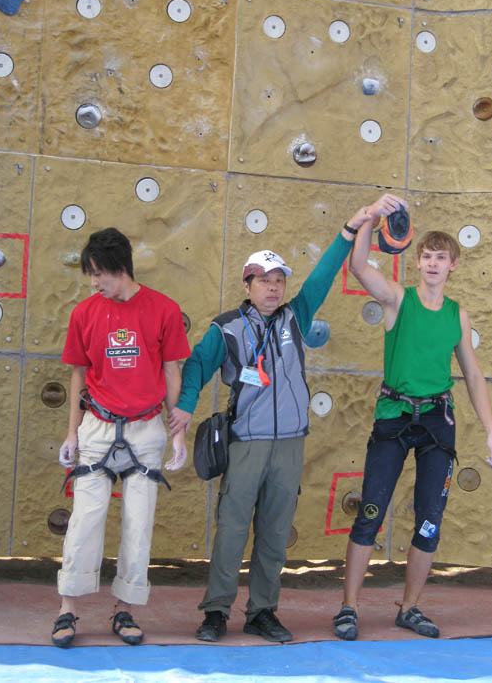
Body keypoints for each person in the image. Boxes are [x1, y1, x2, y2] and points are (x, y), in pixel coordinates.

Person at [168, 195, 396, 643]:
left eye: (279, 281)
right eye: (264, 281)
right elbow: (195, 366)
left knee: (274, 534)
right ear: (247, 283)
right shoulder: (226, 328)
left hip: (290, 443)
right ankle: (216, 611)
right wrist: (184, 407)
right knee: (232, 531)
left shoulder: (296, 316)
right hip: (246, 443)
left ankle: (262, 611)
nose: (273, 288)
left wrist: (351, 227)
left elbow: (324, 274)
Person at [332, 194, 492, 641]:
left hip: (437, 422)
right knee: (370, 513)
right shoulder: (397, 299)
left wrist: (491, 431)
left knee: (430, 521)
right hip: (394, 416)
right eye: (426, 256)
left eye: (440, 258)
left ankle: (409, 608)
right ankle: (348, 608)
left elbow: (473, 374)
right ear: (418, 261)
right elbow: (358, 267)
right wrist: (370, 216)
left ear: (453, 266)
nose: (432, 263)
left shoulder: (457, 315)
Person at [51, 228, 190, 648]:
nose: (94, 282)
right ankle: (67, 609)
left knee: (138, 523)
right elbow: (78, 374)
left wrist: (178, 435)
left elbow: (172, 371)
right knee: (84, 520)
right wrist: (72, 433)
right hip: (97, 426)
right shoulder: (85, 313)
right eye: (91, 274)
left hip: (146, 429)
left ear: (121, 268)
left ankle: (125, 608)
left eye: (100, 273)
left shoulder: (164, 309)